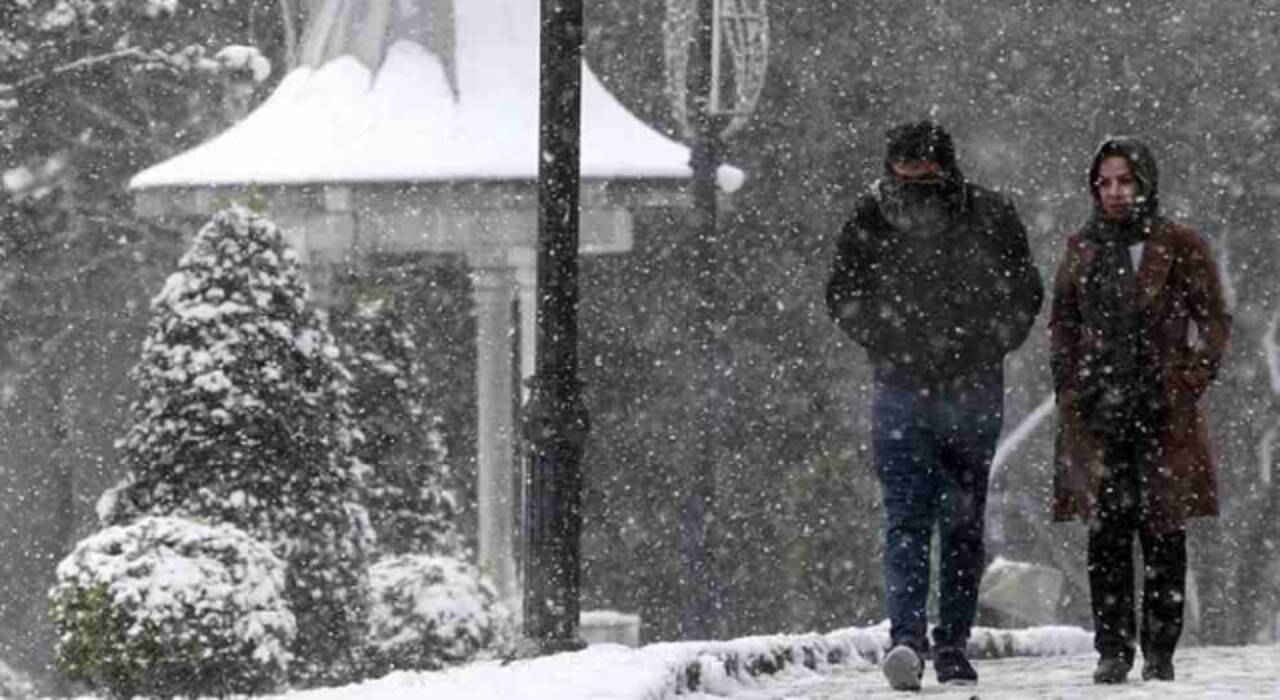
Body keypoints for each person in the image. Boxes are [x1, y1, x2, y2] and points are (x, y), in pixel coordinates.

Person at [825, 120, 1043, 690]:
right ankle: (920, 640)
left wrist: (976, 342)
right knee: (929, 519)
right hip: (920, 384)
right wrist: (905, 339)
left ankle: (934, 639)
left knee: (940, 521)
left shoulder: (981, 216)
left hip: (949, 385)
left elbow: (1024, 291)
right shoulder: (880, 217)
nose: (914, 185)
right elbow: (843, 292)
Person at [1049, 137, 1230, 684]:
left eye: (1124, 180)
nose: (1114, 192)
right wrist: (1071, 387)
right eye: (1104, 182)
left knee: (1163, 533)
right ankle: (1113, 649)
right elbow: (1064, 325)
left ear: (1145, 182)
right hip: (1098, 413)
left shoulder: (1179, 244)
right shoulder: (1082, 247)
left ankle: (1160, 650)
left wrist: (1188, 379)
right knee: (1106, 535)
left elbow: (1215, 319)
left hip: (1162, 412)